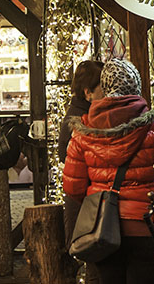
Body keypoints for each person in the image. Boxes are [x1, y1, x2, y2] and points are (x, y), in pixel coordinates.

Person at [63, 58, 154, 284]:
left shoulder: (83, 131)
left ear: (104, 89)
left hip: (103, 228)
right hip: (147, 225)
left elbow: (73, 187)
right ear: (136, 86)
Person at [60, 60, 105, 243]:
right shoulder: (80, 121)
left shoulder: (85, 114)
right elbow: (64, 154)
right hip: (84, 198)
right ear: (88, 92)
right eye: (104, 87)